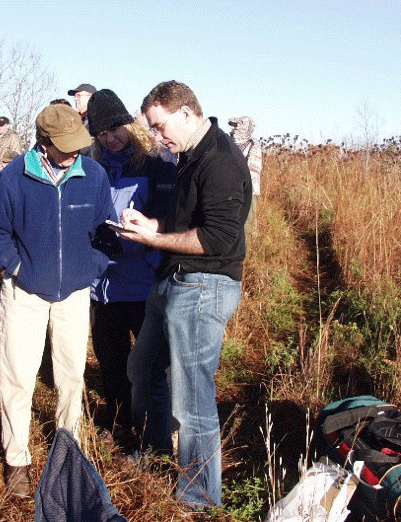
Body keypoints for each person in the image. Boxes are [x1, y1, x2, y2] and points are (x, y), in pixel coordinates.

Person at [116, 81, 251, 508]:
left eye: (159, 127)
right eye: (152, 129)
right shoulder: (188, 156)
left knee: (192, 400)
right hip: (174, 280)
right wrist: (154, 228)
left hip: (204, 286)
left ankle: (197, 499)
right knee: (143, 368)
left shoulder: (220, 161)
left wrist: (155, 241)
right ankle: (155, 453)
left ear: (187, 113)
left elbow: (217, 239)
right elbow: (189, 223)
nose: (156, 138)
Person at [0, 104, 115, 498]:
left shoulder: (94, 175)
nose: (76, 153)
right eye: (66, 146)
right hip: (24, 294)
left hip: (73, 294)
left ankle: (69, 453)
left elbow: (106, 232)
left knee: (72, 376)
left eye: (78, 144)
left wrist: (89, 270)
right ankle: (17, 460)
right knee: (18, 376)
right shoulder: (13, 177)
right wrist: (19, 268)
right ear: (44, 142)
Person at [86, 89, 175, 436]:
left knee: (152, 363)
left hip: (144, 280)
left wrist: (143, 228)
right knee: (110, 358)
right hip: (103, 284)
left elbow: (168, 217)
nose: (111, 139)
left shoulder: (154, 164)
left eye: (116, 129)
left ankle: (155, 427)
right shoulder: (91, 168)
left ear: (127, 124)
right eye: (102, 134)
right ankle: (121, 421)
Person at [229, 116, 263, 232]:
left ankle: (252, 246)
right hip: (231, 189)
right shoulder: (229, 144)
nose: (233, 129)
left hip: (249, 189)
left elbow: (253, 169)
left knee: (249, 223)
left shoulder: (253, 145)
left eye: (236, 126)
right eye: (233, 126)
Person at [68, 83, 97, 156]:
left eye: (78, 95)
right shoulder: (78, 120)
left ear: (90, 97)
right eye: (74, 96)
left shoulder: (97, 119)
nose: (75, 99)